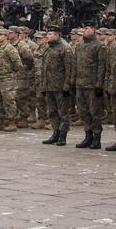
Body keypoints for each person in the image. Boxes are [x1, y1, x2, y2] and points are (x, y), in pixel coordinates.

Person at [74, 21, 106, 149]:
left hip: (92, 85)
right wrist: (73, 82)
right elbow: (75, 65)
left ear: (93, 29)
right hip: (80, 84)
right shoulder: (80, 45)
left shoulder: (99, 46)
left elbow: (101, 66)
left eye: (87, 28)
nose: (84, 30)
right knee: (83, 111)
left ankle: (97, 138)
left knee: (95, 112)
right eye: (83, 28)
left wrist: (99, 85)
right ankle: (88, 136)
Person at [41, 26, 72, 146]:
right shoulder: (49, 48)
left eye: (50, 34)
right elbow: (44, 69)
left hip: (60, 86)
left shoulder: (64, 48)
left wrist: (66, 86)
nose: (48, 36)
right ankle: (55, 133)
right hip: (49, 86)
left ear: (57, 35)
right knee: (52, 111)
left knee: (63, 112)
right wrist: (44, 85)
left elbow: (69, 69)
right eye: (48, 34)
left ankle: (63, 135)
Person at [0, 27, 24, 132]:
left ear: (5, 36)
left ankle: (12, 122)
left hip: (6, 78)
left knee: (8, 100)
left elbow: (18, 64)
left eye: (0, 35)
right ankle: (1, 121)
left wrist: (10, 73)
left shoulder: (9, 48)